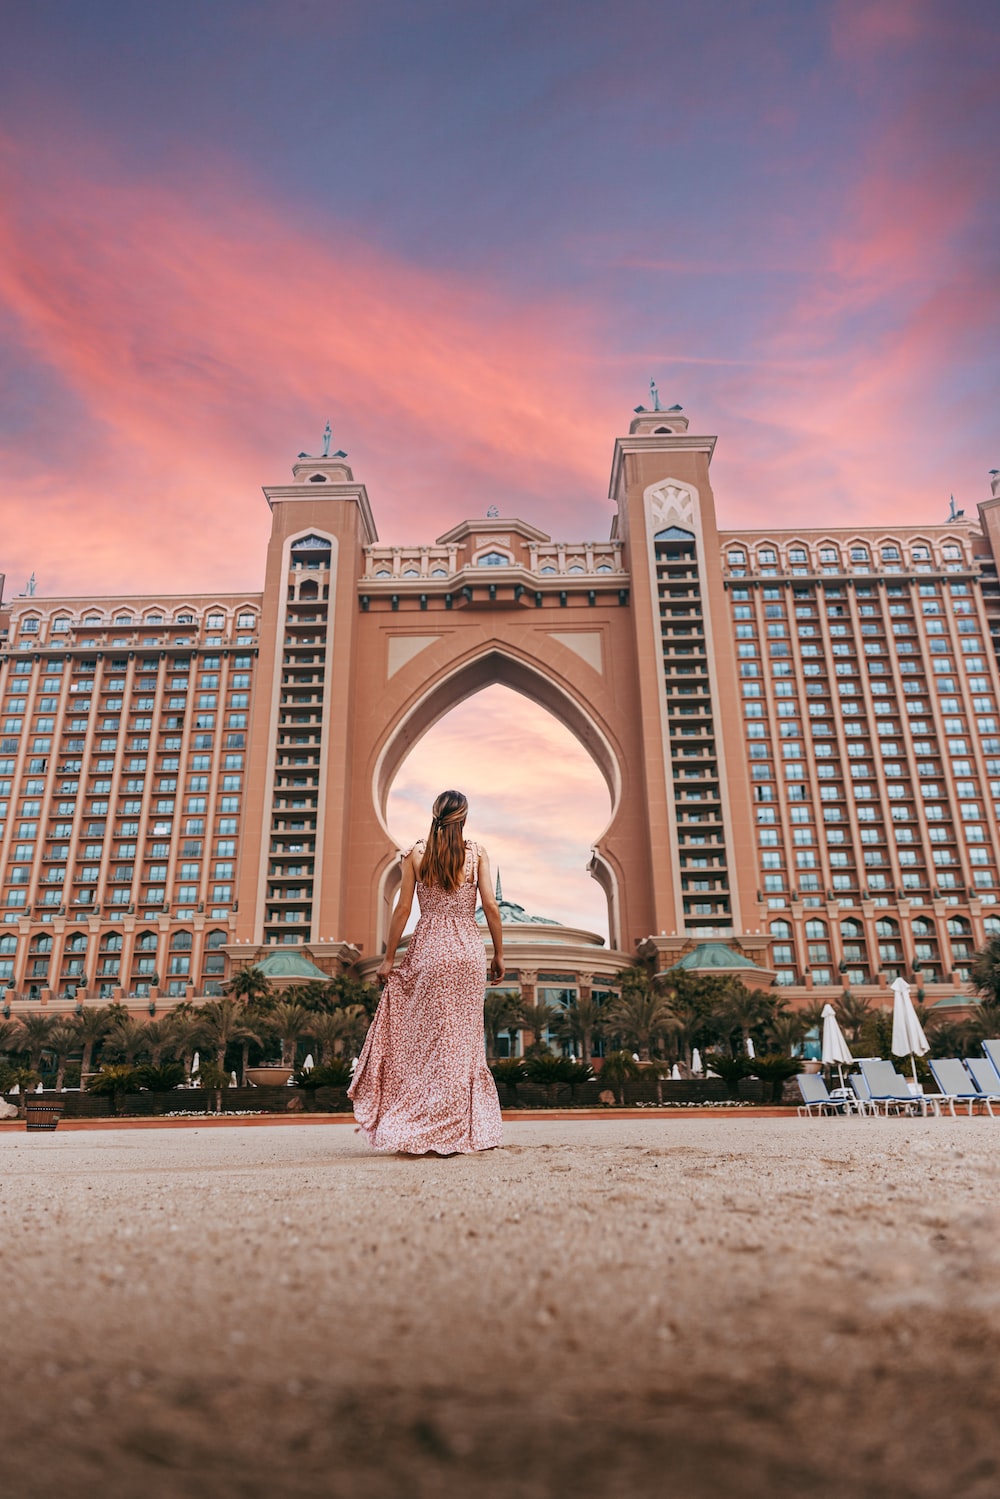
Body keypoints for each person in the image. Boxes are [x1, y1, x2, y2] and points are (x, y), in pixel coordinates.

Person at [348, 789, 505, 1154]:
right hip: (467, 951)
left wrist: (388, 958)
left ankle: (425, 1118)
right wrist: (499, 953)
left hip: (430, 951)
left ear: (435, 815)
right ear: (463, 818)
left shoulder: (416, 854)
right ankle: (464, 1127)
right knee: (463, 1044)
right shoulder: (477, 853)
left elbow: (402, 909)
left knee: (430, 1043)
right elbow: (492, 907)